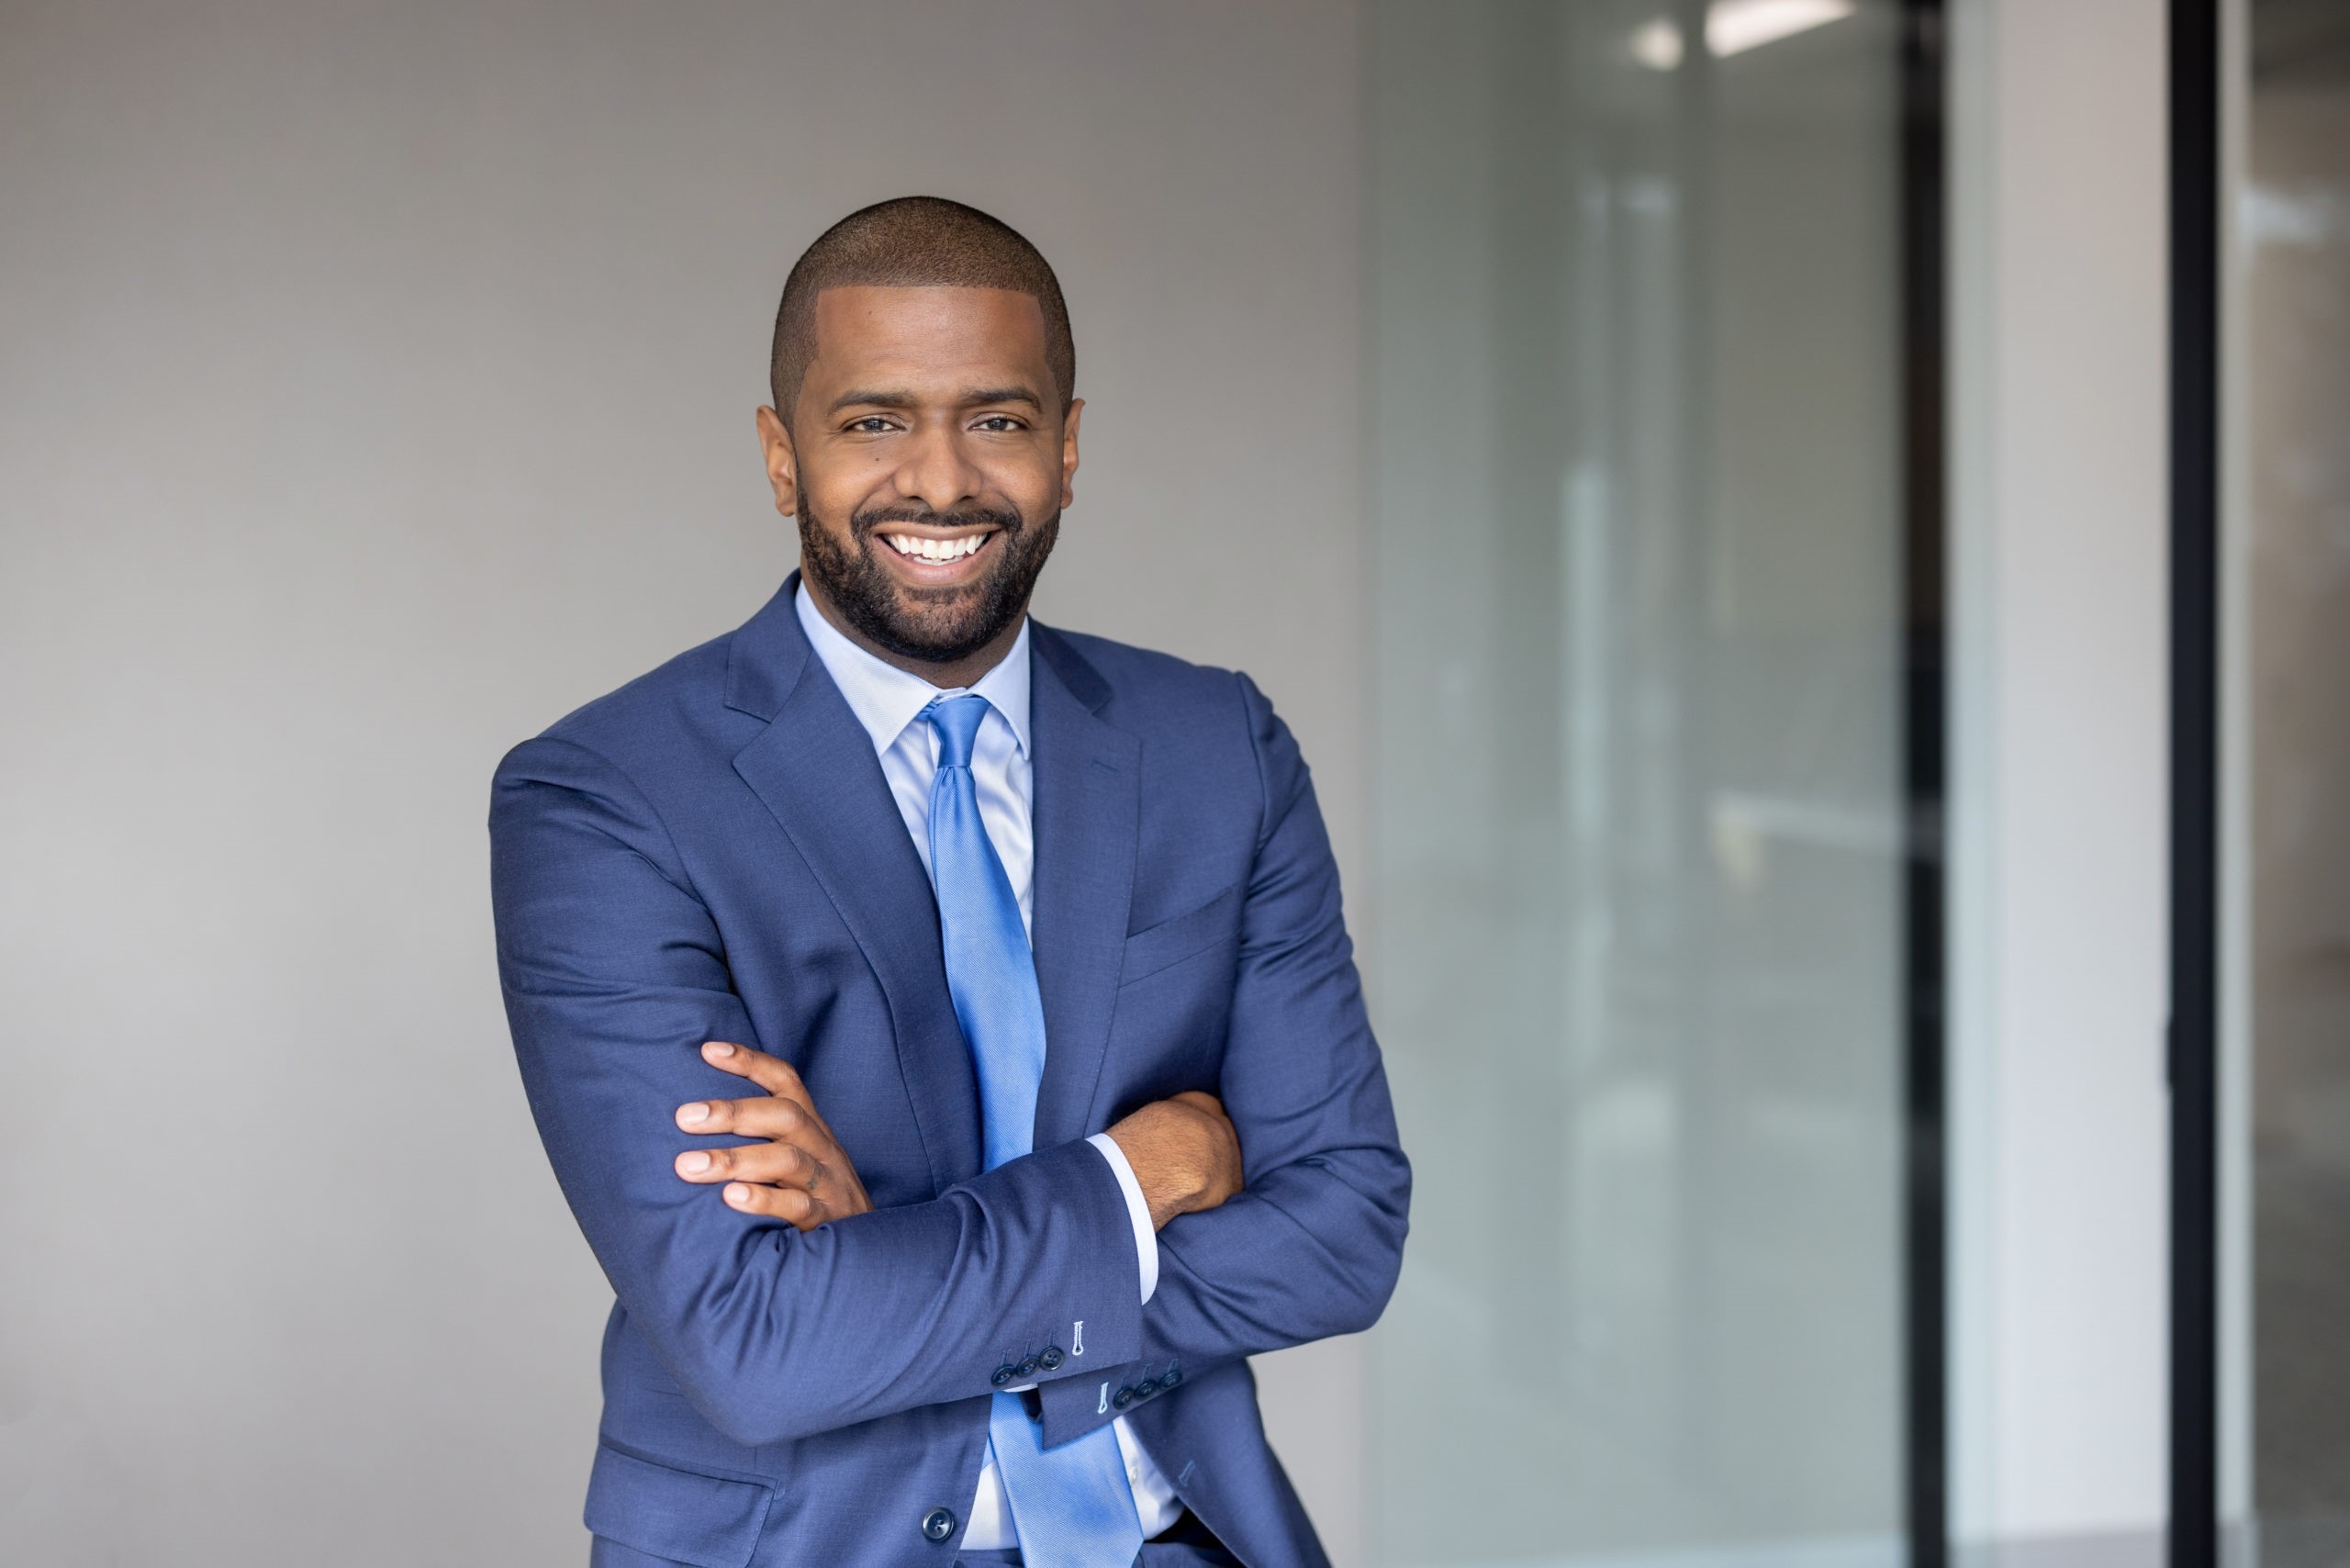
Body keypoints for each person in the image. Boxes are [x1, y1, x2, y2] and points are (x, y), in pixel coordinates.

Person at [488, 196, 1410, 1568]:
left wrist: (896, 1260)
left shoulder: (1220, 747)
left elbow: (1341, 1232)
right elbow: (760, 1343)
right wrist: (1131, 1182)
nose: (942, 482)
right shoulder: (608, 798)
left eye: (998, 419)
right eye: (873, 422)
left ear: (1069, 445)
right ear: (779, 455)